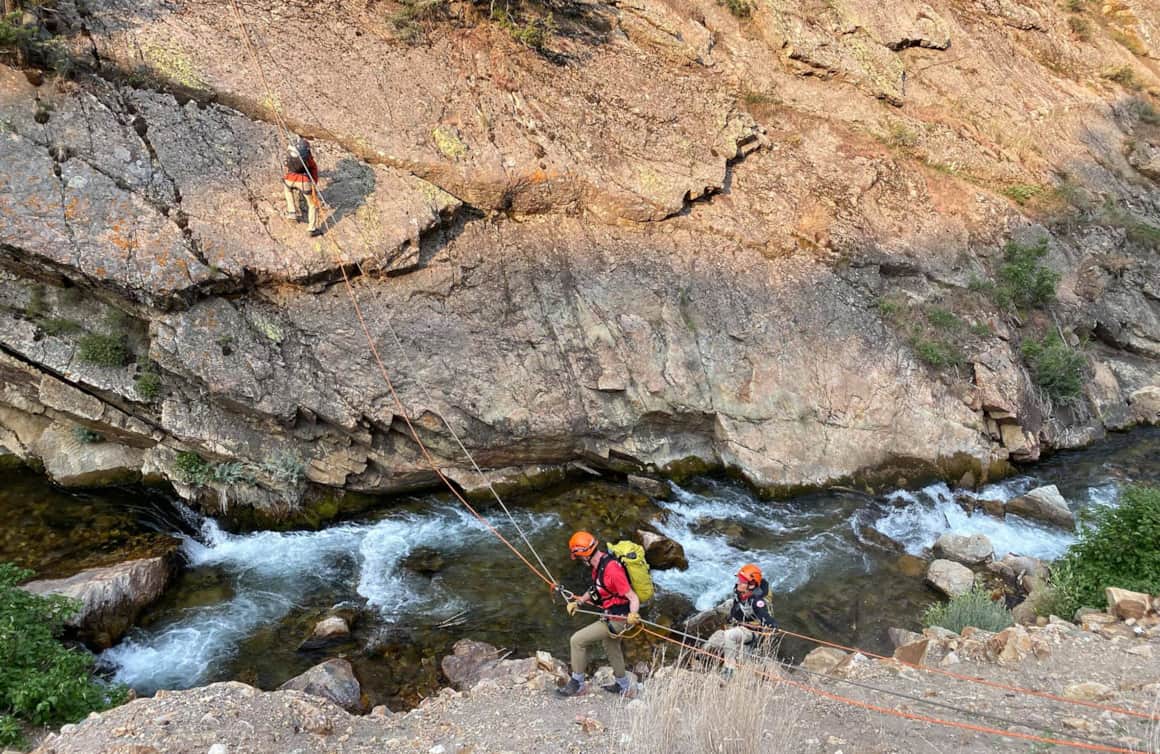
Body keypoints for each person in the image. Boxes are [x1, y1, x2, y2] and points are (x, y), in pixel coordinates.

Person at [556, 531, 641, 698]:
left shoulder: (612, 570)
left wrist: (633, 615)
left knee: (577, 640)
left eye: (580, 558)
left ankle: (578, 684)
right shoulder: (598, 565)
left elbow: (633, 596)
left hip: (620, 618)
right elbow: (596, 588)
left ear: (585, 555)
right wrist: (579, 602)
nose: (581, 561)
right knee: (611, 646)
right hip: (611, 614)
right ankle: (623, 686)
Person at [704, 563, 779, 672]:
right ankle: (701, 656)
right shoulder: (740, 593)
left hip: (753, 633)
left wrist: (772, 625)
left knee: (730, 635)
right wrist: (731, 617)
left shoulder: (757, 601)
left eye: (741, 581)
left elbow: (765, 616)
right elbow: (736, 605)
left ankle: (729, 669)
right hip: (742, 625)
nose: (738, 582)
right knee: (716, 637)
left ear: (751, 585)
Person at [283, 137, 322, 237]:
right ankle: (311, 229)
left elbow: (287, 165)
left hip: (289, 179)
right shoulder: (308, 159)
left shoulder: (290, 154)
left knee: (287, 190)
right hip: (303, 182)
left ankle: (292, 212)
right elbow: (313, 169)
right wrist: (313, 184)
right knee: (312, 204)